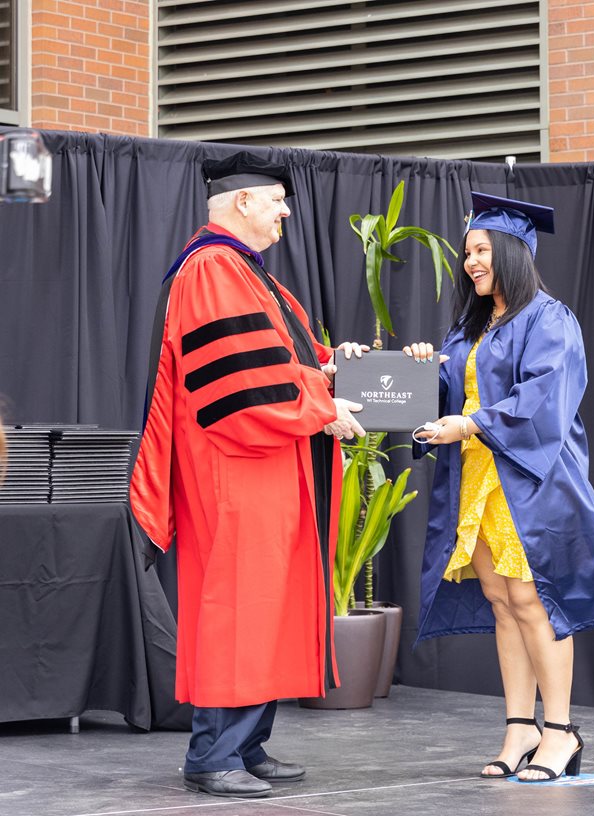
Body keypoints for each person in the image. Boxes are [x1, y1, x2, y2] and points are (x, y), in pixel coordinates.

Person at [129, 152, 368, 799]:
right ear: (241, 203)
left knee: (266, 610)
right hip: (236, 473)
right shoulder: (212, 270)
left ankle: (247, 742)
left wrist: (337, 369)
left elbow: (286, 360)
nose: (286, 212)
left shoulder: (250, 274)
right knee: (238, 611)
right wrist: (321, 402)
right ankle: (213, 755)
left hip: (268, 467)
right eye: (277, 200)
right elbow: (236, 386)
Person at [406, 192, 594, 782]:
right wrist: (422, 372)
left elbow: (543, 401)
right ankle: (519, 727)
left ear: (512, 251)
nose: (472, 262)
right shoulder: (471, 327)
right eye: (468, 252)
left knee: (535, 603)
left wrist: (472, 422)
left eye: (482, 250)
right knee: (502, 604)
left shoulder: (549, 318)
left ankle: (560, 733)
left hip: (529, 482)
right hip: (478, 478)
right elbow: (453, 393)